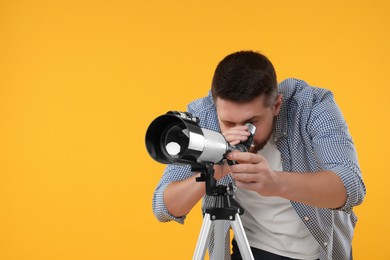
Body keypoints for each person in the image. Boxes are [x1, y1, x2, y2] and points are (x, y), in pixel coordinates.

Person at [152, 51, 366, 260]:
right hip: (249, 249)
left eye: (250, 123)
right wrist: (218, 163)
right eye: (228, 123)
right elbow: (164, 207)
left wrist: (275, 183)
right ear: (216, 107)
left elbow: (351, 187)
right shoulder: (204, 115)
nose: (240, 133)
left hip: (318, 251)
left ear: (276, 105)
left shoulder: (311, 105)